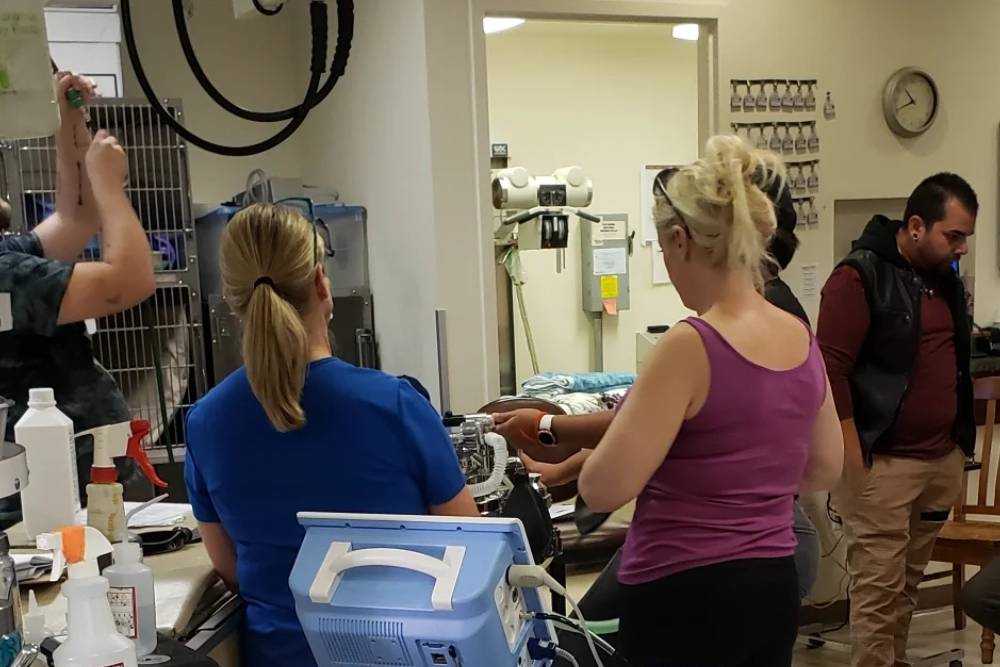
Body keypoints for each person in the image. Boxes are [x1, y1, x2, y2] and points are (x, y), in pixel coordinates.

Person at [506, 136, 844, 667]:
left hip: (684, 590)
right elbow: (825, 466)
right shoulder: (800, 337)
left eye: (664, 250)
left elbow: (603, 486)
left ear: (681, 239)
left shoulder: (691, 343)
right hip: (772, 586)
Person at [183, 203, 479, 667]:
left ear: (230, 297)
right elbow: (470, 550)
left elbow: (230, 567)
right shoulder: (394, 405)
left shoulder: (205, 424)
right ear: (322, 282)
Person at [817, 173, 977, 667]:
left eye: (966, 237)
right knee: (877, 593)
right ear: (914, 226)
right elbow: (829, 370)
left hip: (938, 460)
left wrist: (958, 447)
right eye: (954, 235)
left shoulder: (945, 279)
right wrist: (850, 455)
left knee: (904, 588)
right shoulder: (858, 277)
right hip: (881, 464)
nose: (963, 248)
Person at [0, 73, 155, 525]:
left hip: (77, 487)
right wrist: (111, 185)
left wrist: (69, 121)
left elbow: (75, 217)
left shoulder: (7, 260)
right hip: (56, 502)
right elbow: (125, 282)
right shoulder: (8, 277)